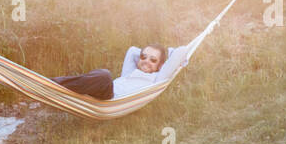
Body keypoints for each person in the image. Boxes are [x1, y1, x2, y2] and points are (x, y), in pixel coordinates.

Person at [51, 43, 187, 99]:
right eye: (143, 57)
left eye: (153, 60)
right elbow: (133, 50)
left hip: (113, 99)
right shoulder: (129, 72)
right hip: (101, 92)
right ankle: (52, 86)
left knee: (104, 75)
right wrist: (148, 57)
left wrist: (169, 53)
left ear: (160, 66)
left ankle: (53, 85)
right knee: (102, 76)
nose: (146, 61)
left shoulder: (157, 79)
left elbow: (182, 51)